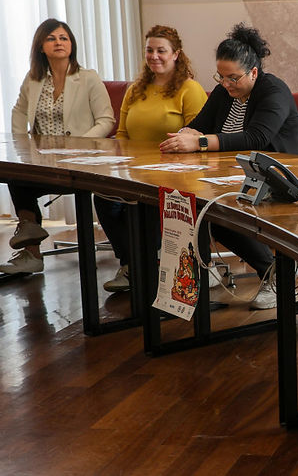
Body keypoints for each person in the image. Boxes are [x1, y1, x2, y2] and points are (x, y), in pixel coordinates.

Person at [159, 23, 298, 310]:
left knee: (217, 212)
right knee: (197, 206)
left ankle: (275, 274)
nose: (226, 84)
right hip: (229, 176)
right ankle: (197, 273)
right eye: (221, 77)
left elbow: (256, 138)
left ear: (254, 73)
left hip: (275, 179)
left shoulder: (273, 90)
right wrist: (186, 134)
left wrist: (199, 142)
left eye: (233, 78)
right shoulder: (224, 92)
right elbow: (199, 125)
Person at [94, 25, 207, 292]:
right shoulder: (136, 89)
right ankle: (133, 265)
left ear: (176, 54)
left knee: (147, 207)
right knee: (103, 198)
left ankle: (141, 267)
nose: (154, 56)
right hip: (135, 171)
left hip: (175, 173)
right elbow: (122, 134)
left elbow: (197, 135)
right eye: (149, 50)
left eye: (161, 51)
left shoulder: (189, 89)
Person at [1, 19, 114, 275]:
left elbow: (106, 121)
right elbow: (18, 111)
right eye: (51, 38)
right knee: (16, 175)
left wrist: (78, 147)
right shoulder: (33, 80)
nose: (59, 43)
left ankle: (30, 240)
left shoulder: (88, 78)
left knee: (20, 181)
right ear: (41, 47)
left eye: (64, 38)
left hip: (80, 162)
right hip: (42, 162)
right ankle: (30, 249)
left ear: (72, 44)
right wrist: (21, 145)